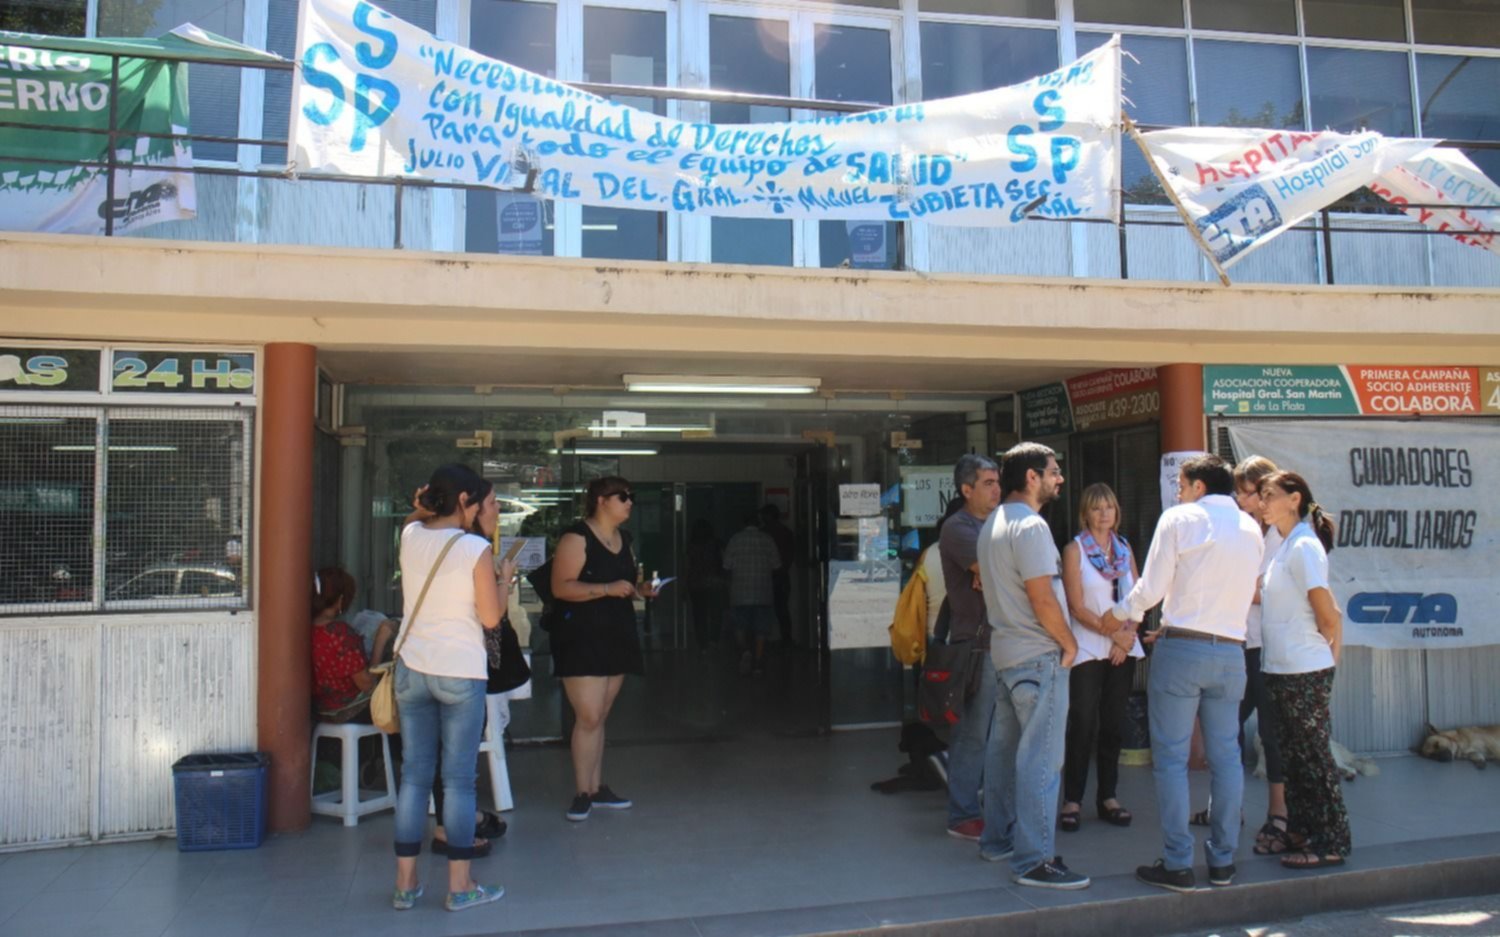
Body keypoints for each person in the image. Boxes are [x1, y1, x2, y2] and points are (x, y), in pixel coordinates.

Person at [1107, 454, 1262, 893]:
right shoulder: (1251, 528)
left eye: (1181, 483)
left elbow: (1151, 588)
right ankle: (1223, 861)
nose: (1177, 490)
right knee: (1227, 758)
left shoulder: (1179, 518)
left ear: (1197, 486)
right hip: (1232, 651)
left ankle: (1178, 863)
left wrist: (1117, 615)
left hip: (1182, 648)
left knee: (1172, 760)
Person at [392, 463, 514, 913]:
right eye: (478, 501)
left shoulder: (411, 537)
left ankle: (405, 885)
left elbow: (412, 518)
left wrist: (421, 506)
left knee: (414, 776)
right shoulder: (473, 549)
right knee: (459, 781)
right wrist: (503, 582)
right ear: (464, 501)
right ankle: (460, 886)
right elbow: (489, 618)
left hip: (412, 669)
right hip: (460, 671)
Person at [977, 443, 1089, 890]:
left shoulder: (993, 524)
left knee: (1003, 756)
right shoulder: (1031, 527)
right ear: (1031, 477)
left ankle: (997, 839)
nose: (1059, 479)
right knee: (1041, 760)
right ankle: (1034, 859)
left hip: (1006, 653)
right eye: (1054, 472)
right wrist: (1068, 643)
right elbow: (1042, 597)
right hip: (1037, 656)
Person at [1190, 456, 1293, 855]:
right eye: (1241, 492)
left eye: (1249, 492)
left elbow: (1276, 590)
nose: (1244, 499)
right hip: (1239, 640)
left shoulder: (1286, 536)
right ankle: (1225, 808)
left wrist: (1232, 587)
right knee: (1224, 726)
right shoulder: (1242, 528)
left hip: (1271, 645)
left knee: (1270, 732)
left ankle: (1279, 813)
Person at [1258, 471, 1349, 870]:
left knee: (1313, 758)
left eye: (1269, 495)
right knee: (1293, 757)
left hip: (1303, 669)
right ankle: (1301, 830)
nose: (1262, 502)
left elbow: (1327, 612)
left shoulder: (1304, 546)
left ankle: (1330, 840)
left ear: (1294, 499)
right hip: (1280, 669)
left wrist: (1329, 651)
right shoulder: (1283, 545)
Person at [551, 476, 653, 822]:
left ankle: (596, 786)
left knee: (600, 715)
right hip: (581, 634)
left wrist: (642, 590)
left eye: (631, 496)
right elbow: (561, 587)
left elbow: (630, 582)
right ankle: (582, 791)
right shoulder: (576, 537)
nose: (629, 502)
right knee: (589, 715)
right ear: (600, 500)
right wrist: (607, 588)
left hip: (617, 630)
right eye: (622, 496)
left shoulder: (625, 539)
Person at [1058, 483, 1142, 833]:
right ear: (1085, 513)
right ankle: (1072, 799)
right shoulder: (1075, 550)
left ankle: (1108, 796)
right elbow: (1076, 606)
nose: (1104, 513)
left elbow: (1139, 595)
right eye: (1097, 508)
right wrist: (1114, 634)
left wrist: (1127, 637)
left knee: (1112, 723)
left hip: (1123, 647)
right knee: (1082, 723)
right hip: (1088, 646)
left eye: (1109, 506)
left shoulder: (1124, 548)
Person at [936, 454, 1001, 843]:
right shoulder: (957, 527)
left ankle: (989, 806)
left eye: (997, 481)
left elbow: (1009, 571)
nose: (996, 489)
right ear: (967, 489)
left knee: (998, 733)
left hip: (1005, 640)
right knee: (974, 732)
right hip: (977, 645)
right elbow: (996, 571)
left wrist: (996, 573)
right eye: (989, 482)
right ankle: (962, 814)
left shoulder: (998, 525)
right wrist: (993, 573)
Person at [311, 567, 393, 724]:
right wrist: (381, 640)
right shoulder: (339, 633)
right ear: (341, 600)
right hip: (348, 709)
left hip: (320, 708)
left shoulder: (309, 629)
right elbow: (367, 684)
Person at [722, 511, 781, 676]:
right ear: (759, 523)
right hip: (763, 592)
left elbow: (726, 566)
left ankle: (744, 651)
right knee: (761, 630)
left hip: (740, 593)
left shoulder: (735, 539)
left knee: (739, 626)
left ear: (743, 523)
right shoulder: (767, 540)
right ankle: (758, 662)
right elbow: (777, 565)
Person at [684, 518, 725, 649]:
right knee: (715, 613)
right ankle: (714, 639)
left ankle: (702, 643)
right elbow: (724, 563)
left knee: (699, 615)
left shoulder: (691, 546)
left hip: (696, 584)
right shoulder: (716, 544)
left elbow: (687, 567)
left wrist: (684, 588)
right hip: (714, 582)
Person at [761, 503, 796, 646]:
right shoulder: (786, 532)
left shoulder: (763, 533)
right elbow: (791, 555)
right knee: (782, 610)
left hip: (766, 577)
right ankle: (786, 639)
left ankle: (762, 640)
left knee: (763, 610)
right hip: (782, 576)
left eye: (764, 515)